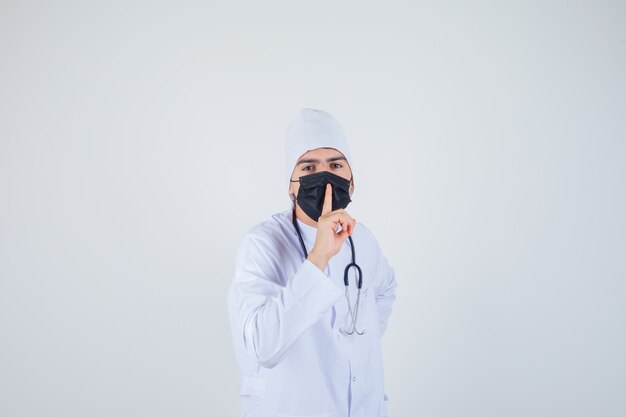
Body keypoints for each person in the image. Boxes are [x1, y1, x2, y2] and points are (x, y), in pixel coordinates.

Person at [228, 108, 397, 417]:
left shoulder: (363, 239)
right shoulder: (262, 244)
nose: (325, 177)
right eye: (308, 167)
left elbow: (385, 290)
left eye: (335, 164)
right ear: (291, 186)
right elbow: (263, 347)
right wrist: (318, 256)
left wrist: (355, 343)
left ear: (352, 180)